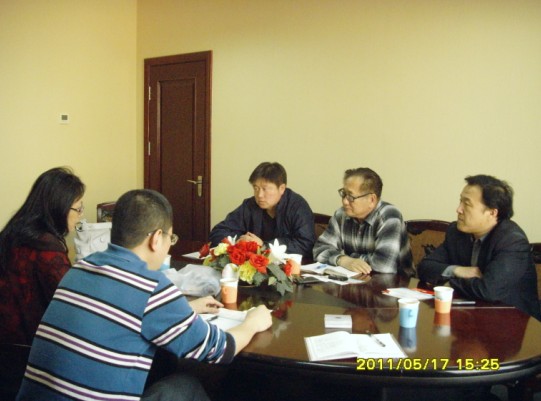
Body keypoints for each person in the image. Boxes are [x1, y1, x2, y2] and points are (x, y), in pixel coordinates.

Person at [17, 189, 272, 401]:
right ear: (156, 238)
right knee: (186, 386)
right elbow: (218, 350)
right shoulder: (151, 286)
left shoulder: (80, 268)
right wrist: (252, 323)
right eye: (171, 238)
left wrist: (188, 309)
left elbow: (121, 315)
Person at [418, 174, 541, 320]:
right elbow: (425, 267)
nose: (458, 209)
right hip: (470, 316)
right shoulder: (456, 232)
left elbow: (488, 290)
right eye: (460, 201)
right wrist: (457, 270)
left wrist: (450, 283)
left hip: (513, 322)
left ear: (492, 212)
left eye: (467, 204)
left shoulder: (512, 241)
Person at [0, 167, 85, 345]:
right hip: (29, 348)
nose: (80, 215)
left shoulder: (13, 231)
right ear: (59, 209)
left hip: (7, 342)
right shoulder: (48, 249)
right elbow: (69, 305)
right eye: (78, 209)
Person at [313, 167, 413, 275]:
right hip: (354, 279)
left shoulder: (389, 217)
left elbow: (383, 266)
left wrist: (350, 258)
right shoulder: (341, 215)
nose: (345, 201)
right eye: (343, 194)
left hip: (395, 282)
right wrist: (343, 260)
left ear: (371, 199)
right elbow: (319, 250)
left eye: (351, 197)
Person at [209, 162, 316, 259]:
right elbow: (218, 231)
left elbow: (306, 245)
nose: (259, 195)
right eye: (256, 188)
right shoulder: (250, 205)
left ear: (282, 189)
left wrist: (264, 246)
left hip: (291, 268)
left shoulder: (297, 207)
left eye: (265, 189)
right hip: (252, 266)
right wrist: (238, 241)